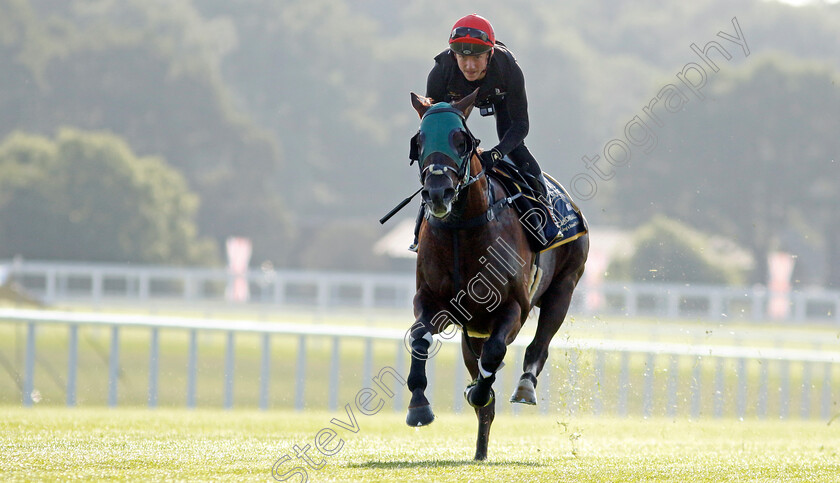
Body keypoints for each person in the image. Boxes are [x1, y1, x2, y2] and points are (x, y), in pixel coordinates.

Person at [409, 13, 547, 252]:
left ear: (490, 54)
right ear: (454, 55)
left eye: (477, 58)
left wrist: (496, 154)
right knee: (438, 168)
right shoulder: (441, 72)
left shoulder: (509, 68)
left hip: (501, 101)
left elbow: (521, 126)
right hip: (454, 107)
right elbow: (436, 129)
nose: (470, 66)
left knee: (522, 158)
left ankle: (544, 220)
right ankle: (419, 234)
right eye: (463, 58)